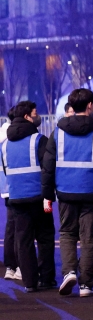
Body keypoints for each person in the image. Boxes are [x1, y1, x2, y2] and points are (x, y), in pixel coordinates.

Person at [41, 88, 93, 297]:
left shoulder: (57, 133)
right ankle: (86, 285)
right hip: (92, 192)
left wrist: (47, 195)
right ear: (91, 106)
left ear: (71, 107)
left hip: (65, 191)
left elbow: (47, 167)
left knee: (66, 233)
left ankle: (68, 273)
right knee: (89, 237)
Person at [2, 101, 54, 292]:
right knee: (45, 237)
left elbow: (7, 171)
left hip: (16, 198)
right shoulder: (39, 140)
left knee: (23, 241)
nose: (37, 116)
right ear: (26, 117)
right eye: (35, 113)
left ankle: (29, 282)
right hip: (38, 197)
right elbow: (48, 168)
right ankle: (47, 278)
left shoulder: (5, 145)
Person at [1, 110, 18, 283]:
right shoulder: (11, 137)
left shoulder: (4, 137)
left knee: (11, 227)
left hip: (7, 187)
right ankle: (16, 266)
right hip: (18, 187)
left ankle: (10, 266)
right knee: (20, 228)